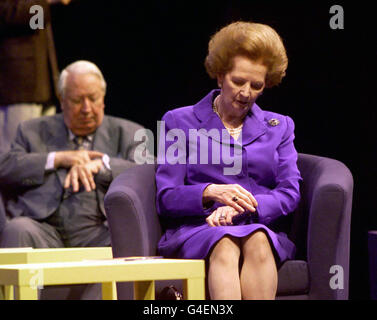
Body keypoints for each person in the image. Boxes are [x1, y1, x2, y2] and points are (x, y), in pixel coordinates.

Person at [155, 21, 302, 300]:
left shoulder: (280, 126)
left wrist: (243, 207)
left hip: (258, 225)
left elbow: (289, 192)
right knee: (224, 242)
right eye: (238, 81)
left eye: (256, 85)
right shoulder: (178, 121)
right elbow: (167, 196)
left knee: (258, 240)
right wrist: (210, 193)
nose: (246, 93)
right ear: (220, 75)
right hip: (200, 228)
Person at [0, 60, 148, 250]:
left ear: (103, 98)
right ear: (62, 100)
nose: (86, 109)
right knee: (17, 229)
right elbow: (6, 167)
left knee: (126, 235)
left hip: (101, 232)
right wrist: (57, 159)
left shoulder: (132, 132)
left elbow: (147, 173)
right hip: (44, 230)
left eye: (93, 99)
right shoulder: (31, 130)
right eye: (77, 101)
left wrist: (102, 165)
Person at [0, 0, 71, 153]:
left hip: (42, 84)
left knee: (40, 159)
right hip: (18, 86)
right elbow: (6, 13)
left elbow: (34, 24)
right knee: (13, 155)